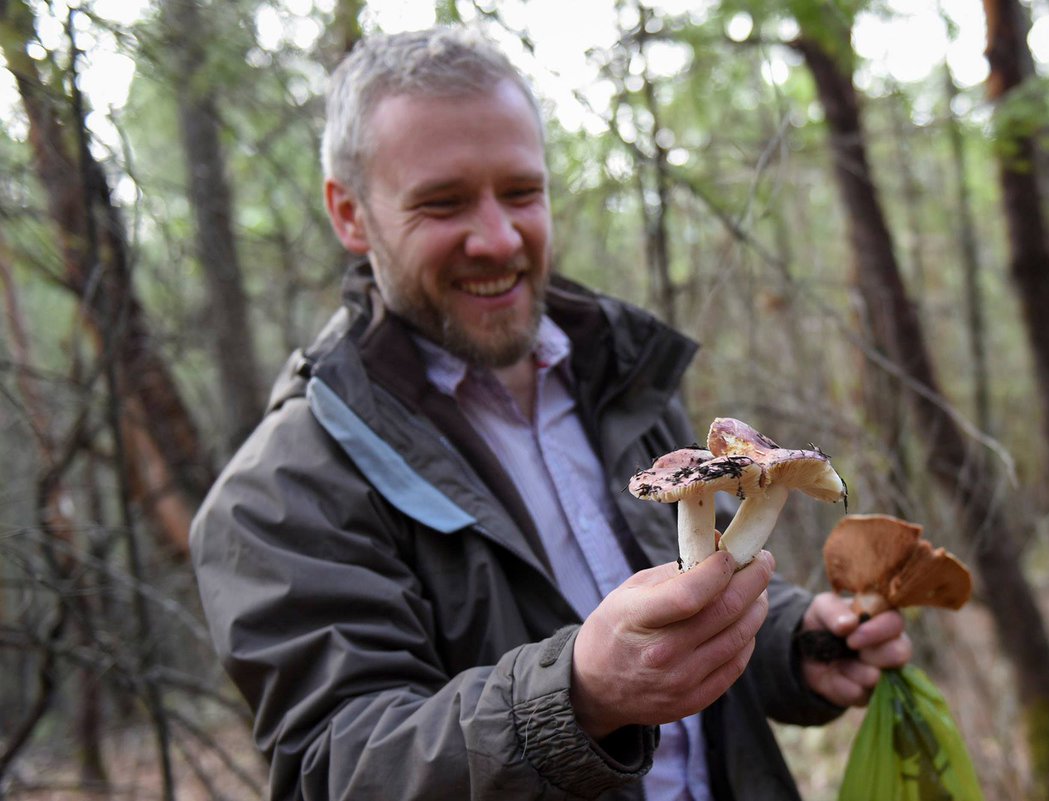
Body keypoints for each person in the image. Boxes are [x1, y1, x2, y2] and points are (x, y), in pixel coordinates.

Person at [190, 27, 911, 801]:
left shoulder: (621, 378)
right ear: (351, 214)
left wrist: (790, 643)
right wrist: (573, 699)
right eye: (443, 202)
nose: (499, 238)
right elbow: (336, 768)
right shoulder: (278, 490)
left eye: (522, 192)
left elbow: (675, 597)